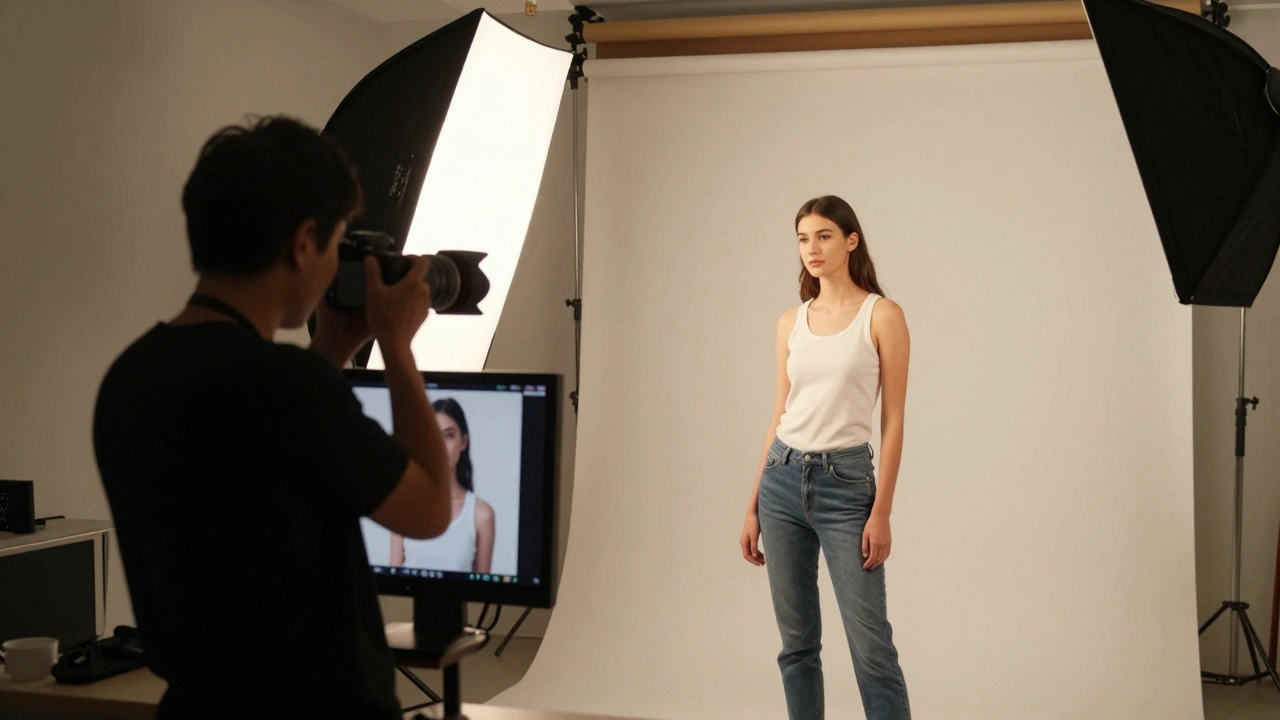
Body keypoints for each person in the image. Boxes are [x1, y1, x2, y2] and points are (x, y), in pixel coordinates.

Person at [92, 116, 456, 719]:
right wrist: (396, 344)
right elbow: (431, 508)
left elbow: (265, 463)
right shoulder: (288, 386)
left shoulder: (129, 378)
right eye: (338, 239)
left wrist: (335, 347)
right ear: (304, 241)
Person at [740, 195, 913, 720]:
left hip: (847, 486)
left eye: (823, 236)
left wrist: (881, 510)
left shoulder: (881, 315)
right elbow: (778, 414)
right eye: (802, 238)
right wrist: (751, 506)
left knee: (871, 648)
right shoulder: (790, 321)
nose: (811, 249)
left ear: (850, 240)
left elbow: (894, 420)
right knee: (796, 646)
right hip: (781, 481)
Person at [390, 398, 496, 574]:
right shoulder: (404, 506)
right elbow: (393, 579)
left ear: (463, 442)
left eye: (449, 435)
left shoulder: (481, 515)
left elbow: (483, 590)